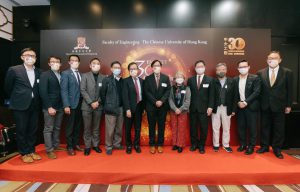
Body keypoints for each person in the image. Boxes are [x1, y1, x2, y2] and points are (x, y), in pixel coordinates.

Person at [4, 48, 42, 163]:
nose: (30, 57)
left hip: (35, 105)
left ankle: (31, 150)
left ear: (35, 58)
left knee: (33, 129)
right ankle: (24, 152)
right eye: (27, 55)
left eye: (33, 55)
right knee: (21, 130)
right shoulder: (14, 70)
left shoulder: (39, 72)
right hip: (20, 105)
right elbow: (7, 87)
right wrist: (18, 98)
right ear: (22, 57)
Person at [256, 51, 293, 159]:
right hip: (265, 105)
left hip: (280, 105)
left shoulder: (287, 72)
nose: (271, 60)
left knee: (279, 128)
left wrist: (288, 105)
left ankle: (277, 149)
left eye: (274, 58)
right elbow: (259, 90)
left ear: (280, 60)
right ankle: (264, 146)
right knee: (264, 127)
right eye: (269, 58)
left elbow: (290, 90)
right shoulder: (260, 72)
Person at [187, 60, 214, 154]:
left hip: (204, 109)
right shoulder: (190, 80)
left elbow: (212, 95)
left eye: (201, 66)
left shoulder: (210, 80)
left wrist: (210, 107)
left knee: (204, 128)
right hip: (192, 108)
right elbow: (188, 95)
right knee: (193, 128)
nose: (200, 68)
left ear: (205, 67)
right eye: (198, 67)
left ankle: (202, 145)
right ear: (195, 69)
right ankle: (194, 144)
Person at [39, 56, 64, 159]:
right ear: (49, 64)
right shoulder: (45, 75)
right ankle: (49, 150)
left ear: (60, 64)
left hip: (60, 106)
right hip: (50, 106)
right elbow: (43, 92)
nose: (55, 63)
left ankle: (55, 145)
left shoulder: (62, 75)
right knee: (49, 128)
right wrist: (49, 106)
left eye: (57, 62)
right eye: (53, 62)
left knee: (57, 128)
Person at [234, 60, 261, 155]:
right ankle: (242, 145)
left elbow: (256, 92)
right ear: (238, 69)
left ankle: (251, 146)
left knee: (252, 128)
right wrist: (238, 102)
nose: (243, 68)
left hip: (251, 106)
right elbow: (234, 94)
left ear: (249, 67)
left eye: (244, 66)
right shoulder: (235, 79)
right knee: (241, 127)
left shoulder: (255, 78)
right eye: (240, 67)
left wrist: (246, 102)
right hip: (240, 107)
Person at [144, 60, 171, 154]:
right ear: (152, 67)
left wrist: (162, 101)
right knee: (151, 126)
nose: (157, 67)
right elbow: (146, 92)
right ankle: (152, 145)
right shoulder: (147, 78)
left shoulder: (166, 78)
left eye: (158, 65)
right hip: (151, 106)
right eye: (155, 65)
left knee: (161, 126)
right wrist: (155, 101)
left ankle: (160, 144)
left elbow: (168, 91)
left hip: (162, 107)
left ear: (161, 67)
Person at [80, 58, 105, 156]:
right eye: (94, 63)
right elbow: (82, 90)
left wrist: (97, 102)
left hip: (98, 106)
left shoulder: (103, 77)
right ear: (90, 65)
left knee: (96, 127)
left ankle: (95, 145)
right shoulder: (85, 76)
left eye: (98, 63)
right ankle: (87, 146)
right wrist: (91, 102)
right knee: (87, 128)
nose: (96, 65)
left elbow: (104, 92)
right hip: (86, 106)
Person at [211, 63, 237, 153]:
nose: (221, 71)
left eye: (222, 69)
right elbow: (211, 96)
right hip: (216, 107)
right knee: (215, 127)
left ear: (226, 70)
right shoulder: (213, 81)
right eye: (219, 70)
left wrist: (234, 109)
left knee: (226, 128)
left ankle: (226, 145)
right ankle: (216, 145)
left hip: (227, 108)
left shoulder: (232, 81)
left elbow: (235, 96)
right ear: (216, 71)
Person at [61, 54, 83, 156]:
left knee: (78, 126)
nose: (75, 62)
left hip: (81, 104)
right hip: (71, 104)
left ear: (79, 62)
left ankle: (76, 144)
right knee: (70, 126)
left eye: (76, 60)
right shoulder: (65, 74)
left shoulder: (81, 74)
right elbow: (64, 90)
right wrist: (66, 105)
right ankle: (69, 146)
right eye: (72, 60)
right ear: (69, 62)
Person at [101, 61, 124, 155]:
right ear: (111, 69)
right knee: (110, 129)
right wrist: (107, 104)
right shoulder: (107, 80)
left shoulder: (122, 80)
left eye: (119, 67)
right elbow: (102, 94)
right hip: (110, 108)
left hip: (121, 108)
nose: (117, 69)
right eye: (115, 67)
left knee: (119, 128)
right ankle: (109, 146)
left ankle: (117, 144)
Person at [122, 62, 144, 154]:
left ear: (138, 70)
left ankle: (136, 145)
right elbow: (125, 96)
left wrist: (144, 108)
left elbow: (144, 96)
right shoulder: (125, 81)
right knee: (128, 128)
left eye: (135, 68)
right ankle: (129, 145)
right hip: (129, 109)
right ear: (129, 70)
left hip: (139, 108)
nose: (133, 70)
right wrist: (127, 109)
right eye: (131, 69)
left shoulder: (142, 81)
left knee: (138, 128)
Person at [168, 71, 190, 153]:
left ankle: (180, 145)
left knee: (181, 129)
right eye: (177, 77)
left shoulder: (187, 88)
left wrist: (180, 109)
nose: (179, 79)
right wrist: (175, 109)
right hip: (173, 111)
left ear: (184, 79)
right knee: (174, 128)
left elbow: (188, 101)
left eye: (181, 77)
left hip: (183, 112)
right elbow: (170, 99)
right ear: (175, 79)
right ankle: (175, 144)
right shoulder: (172, 88)